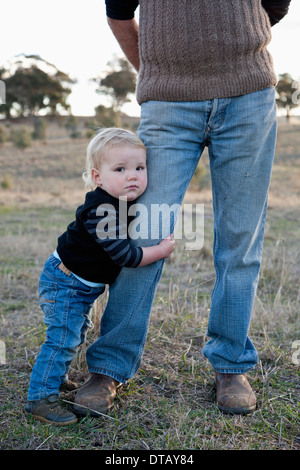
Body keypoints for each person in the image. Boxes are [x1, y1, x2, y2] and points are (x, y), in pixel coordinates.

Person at [73, 0, 292, 416]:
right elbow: (118, 12)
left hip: (248, 96)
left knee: (240, 239)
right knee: (143, 232)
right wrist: (157, 71)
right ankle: (109, 367)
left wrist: (239, 41)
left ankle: (231, 364)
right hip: (169, 104)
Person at [25, 127, 175, 424]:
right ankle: (40, 398)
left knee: (73, 333)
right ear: (97, 177)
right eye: (120, 169)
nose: (132, 175)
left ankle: (55, 379)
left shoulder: (122, 202)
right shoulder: (100, 210)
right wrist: (161, 250)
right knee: (62, 339)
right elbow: (126, 257)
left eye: (139, 168)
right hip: (65, 283)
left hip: (78, 284)